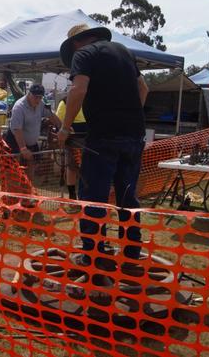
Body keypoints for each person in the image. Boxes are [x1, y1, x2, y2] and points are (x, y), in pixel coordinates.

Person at [57, 23, 148, 262]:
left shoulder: (84, 54)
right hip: (134, 136)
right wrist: (129, 114)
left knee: (93, 197)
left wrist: (65, 128)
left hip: (103, 137)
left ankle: (94, 255)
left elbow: (78, 90)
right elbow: (144, 88)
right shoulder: (123, 51)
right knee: (128, 197)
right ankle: (131, 253)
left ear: (76, 43)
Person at [5, 84, 61, 163]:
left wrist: (62, 127)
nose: (38, 100)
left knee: (32, 166)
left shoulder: (41, 104)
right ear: (29, 94)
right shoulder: (19, 107)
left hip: (32, 143)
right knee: (15, 169)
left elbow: (51, 115)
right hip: (16, 142)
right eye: (36, 97)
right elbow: (17, 130)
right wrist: (23, 148)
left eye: (40, 97)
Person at [55, 95, 87, 199]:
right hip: (74, 140)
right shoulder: (64, 102)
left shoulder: (88, 99)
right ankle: (72, 194)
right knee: (72, 168)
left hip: (88, 139)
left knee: (87, 167)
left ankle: (85, 193)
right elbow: (58, 121)